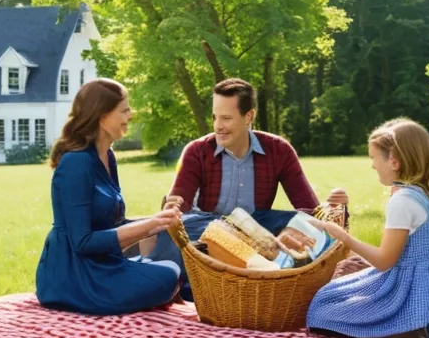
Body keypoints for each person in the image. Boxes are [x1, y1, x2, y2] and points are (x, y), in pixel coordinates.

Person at [144, 78, 348, 299]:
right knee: (180, 226)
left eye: (226, 118)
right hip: (208, 226)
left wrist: (334, 208)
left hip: (258, 226)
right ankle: (248, 274)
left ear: (249, 116)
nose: (218, 126)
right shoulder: (197, 151)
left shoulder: (279, 150)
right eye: (215, 117)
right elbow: (179, 208)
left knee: (304, 223)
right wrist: (173, 208)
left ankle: (279, 275)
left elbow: (308, 208)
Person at [305, 118, 429, 338]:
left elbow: (384, 262)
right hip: (427, 290)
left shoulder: (403, 201)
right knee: (342, 283)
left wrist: (342, 236)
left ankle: (407, 327)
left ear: (394, 161)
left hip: (405, 294)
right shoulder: (420, 193)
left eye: (374, 158)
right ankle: (416, 325)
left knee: (322, 307)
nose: (372, 165)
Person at [35, 78, 183, 315]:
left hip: (104, 264)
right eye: (124, 110)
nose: (130, 116)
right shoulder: (76, 163)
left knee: (175, 269)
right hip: (72, 276)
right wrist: (150, 225)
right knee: (168, 276)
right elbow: (82, 242)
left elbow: (114, 227)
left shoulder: (107, 157)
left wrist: (158, 222)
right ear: (102, 116)